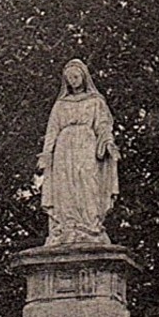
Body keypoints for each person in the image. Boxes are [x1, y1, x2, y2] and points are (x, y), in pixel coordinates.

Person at [37, 58, 120, 246]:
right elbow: (52, 130)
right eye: (69, 78)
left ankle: (90, 226)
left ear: (83, 77)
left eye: (76, 76)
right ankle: (66, 227)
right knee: (64, 186)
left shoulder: (95, 102)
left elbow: (103, 125)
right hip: (64, 148)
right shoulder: (60, 104)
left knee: (88, 181)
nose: (73, 80)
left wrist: (108, 143)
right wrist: (47, 154)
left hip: (86, 145)